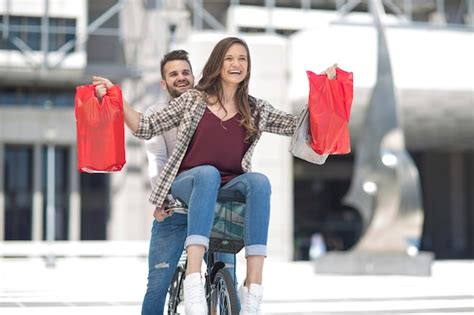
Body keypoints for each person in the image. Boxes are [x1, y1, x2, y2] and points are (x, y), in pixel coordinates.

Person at [94, 36, 336, 315]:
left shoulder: (255, 109)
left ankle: (253, 290)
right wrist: (117, 97)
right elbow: (146, 127)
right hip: (189, 186)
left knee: (259, 181)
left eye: (242, 59)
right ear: (217, 64)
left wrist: (325, 91)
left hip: (226, 193)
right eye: (229, 58)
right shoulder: (193, 100)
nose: (236, 64)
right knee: (206, 175)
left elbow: (298, 127)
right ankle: (193, 280)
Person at [95, 49, 238, 315]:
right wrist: (161, 199)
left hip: (217, 210)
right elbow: (157, 157)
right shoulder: (158, 112)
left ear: (194, 77)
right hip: (176, 210)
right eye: (174, 74)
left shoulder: (213, 109)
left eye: (186, 72)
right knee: (158, 285)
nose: (181, 78)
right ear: (164, 83)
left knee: (228, 278)